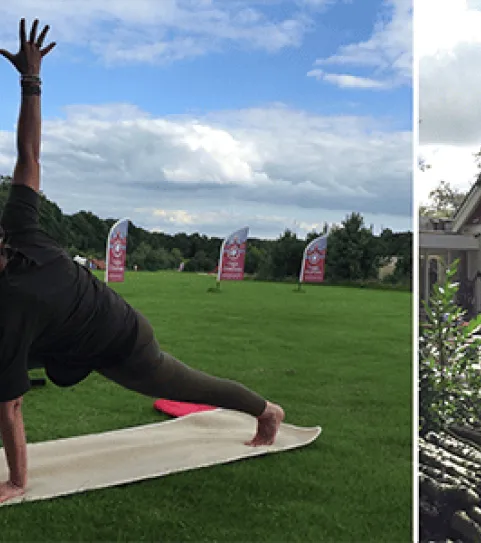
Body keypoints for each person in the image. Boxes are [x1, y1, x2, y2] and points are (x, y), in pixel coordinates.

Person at [0, 19, 285, 504]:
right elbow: (29, 157)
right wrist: (31, 81)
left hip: (120, 341)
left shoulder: (11, 300)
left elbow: (10, 408)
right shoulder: (18, 231)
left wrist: (18, 482)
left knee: (191, 383)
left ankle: (265, 410)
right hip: (62, 337)